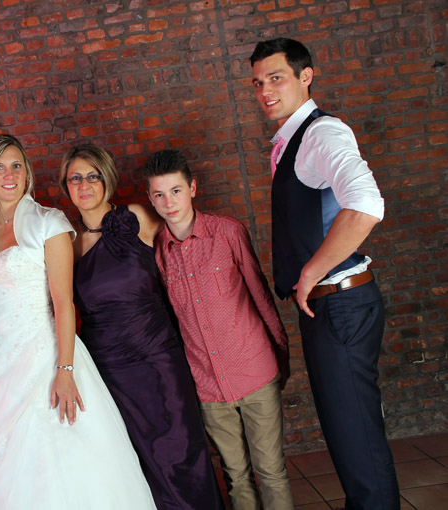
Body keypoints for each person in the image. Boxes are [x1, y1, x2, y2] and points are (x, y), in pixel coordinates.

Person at [0, 134, 156, 510]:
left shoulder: (47, 222)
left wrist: (64, 370)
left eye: (16, 166)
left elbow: (64, 304)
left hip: (46, 355)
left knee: (55, 453)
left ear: (27, 172)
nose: (9, 175)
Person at [250, 38, 399, 509]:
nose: (265, 91)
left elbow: (366, 204)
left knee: (358, 443)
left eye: (276, 78)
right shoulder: (292, 140)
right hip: (332, 307)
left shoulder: (321, 133)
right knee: (349, 438)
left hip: (341, 305)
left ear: (305, 76)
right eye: (258, 83)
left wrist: (312, 271)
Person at [61, 144, 224, 510]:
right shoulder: (67, 243)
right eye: (75, 178)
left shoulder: (135, 217)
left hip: (158, 355)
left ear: (107, 179)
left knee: (182, 448)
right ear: (65, 186)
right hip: (109, 368)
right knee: (136, 460)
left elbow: (181, 250)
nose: (84, 185)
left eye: (92, 176)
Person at [145, 149, 293, 510]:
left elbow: (261, 296)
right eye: (159, 194)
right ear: (150, 198)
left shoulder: (227, 232)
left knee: (271, 471)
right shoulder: (157, 252)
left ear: (192, 188)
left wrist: (280, 354)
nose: (168, 202)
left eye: (176, 191)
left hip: (255, 371)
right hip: (207, 385)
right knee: (235, 475)